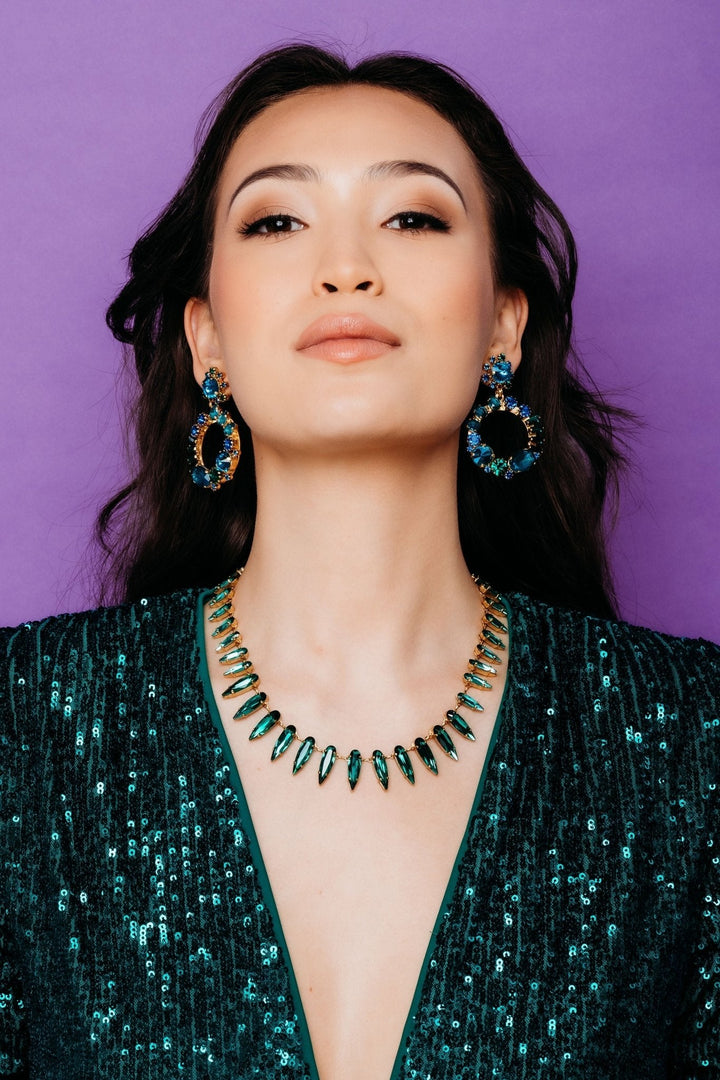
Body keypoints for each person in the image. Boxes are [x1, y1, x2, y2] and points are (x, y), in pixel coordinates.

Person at [1, 43, 717, 1080]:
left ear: (503, 326)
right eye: (276, 222)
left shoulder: (691, 742)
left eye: (413, 218)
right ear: (206, 339)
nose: (347, 268)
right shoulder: (24, 728)